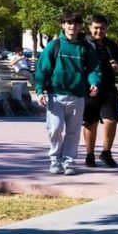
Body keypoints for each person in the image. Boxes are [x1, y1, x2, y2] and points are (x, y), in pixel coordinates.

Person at [34, 11, 101, 176]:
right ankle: (55, 160)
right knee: (55, 129)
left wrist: (94, 82)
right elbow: (42, 69)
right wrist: (40, 90)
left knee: (73, 132)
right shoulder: (54, 45)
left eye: (76, 24)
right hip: (55, 95)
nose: (73, 27)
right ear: (63, 25)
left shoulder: (85, 47)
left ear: (79, 27)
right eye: (69, 23)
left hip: (77, 96)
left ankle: (69, 162)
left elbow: (93, 68)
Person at [82, 15, 118, 168]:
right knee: (90, 122)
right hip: (90, 89)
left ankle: (106, 152)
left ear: (106, 28)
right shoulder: (84, 43)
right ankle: (90, 154)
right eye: (96, 28)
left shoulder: (111, 44)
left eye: (102, 28)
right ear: (90, 28)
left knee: (111, 121)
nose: (99, 31)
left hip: (109, 88)